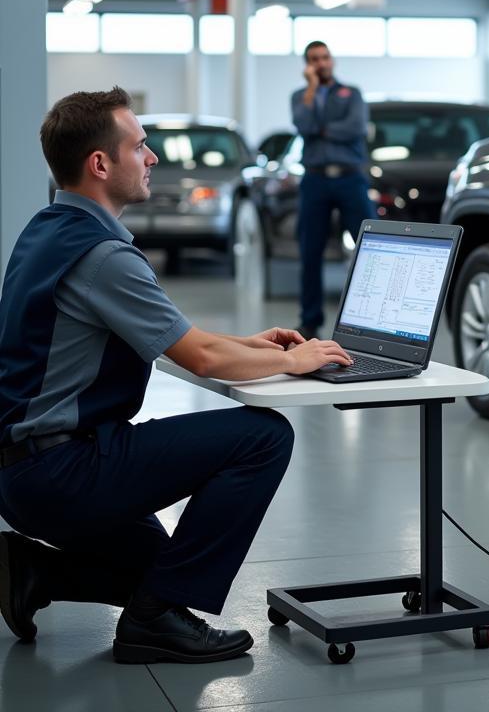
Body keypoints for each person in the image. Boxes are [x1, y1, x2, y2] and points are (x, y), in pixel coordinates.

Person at [0, 88, 352, 664]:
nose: (152, 158)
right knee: (265, 436)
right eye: (140, 146)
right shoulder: (104, 257)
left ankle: (35, 573)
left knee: (162, 568)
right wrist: (292, 361)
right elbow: (203, 359)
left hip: (23, 469)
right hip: (61, 471)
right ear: (100, 164)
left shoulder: (49, 230)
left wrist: (251, 343)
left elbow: (172, 337)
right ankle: (155, 625)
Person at [292, 40, 375, 340]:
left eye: (324, 57)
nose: (321, 63)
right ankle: (310, 321)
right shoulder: (301, 96)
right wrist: (312, 91)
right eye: (314, 59)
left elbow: (354, 128)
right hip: (314, 180)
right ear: (308, 65)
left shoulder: (351, 94)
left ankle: (371, 317)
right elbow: (303, 124)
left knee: (368, 248)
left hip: (350, 179)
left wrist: (321, 128)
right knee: (310, 251)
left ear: (332, 60)